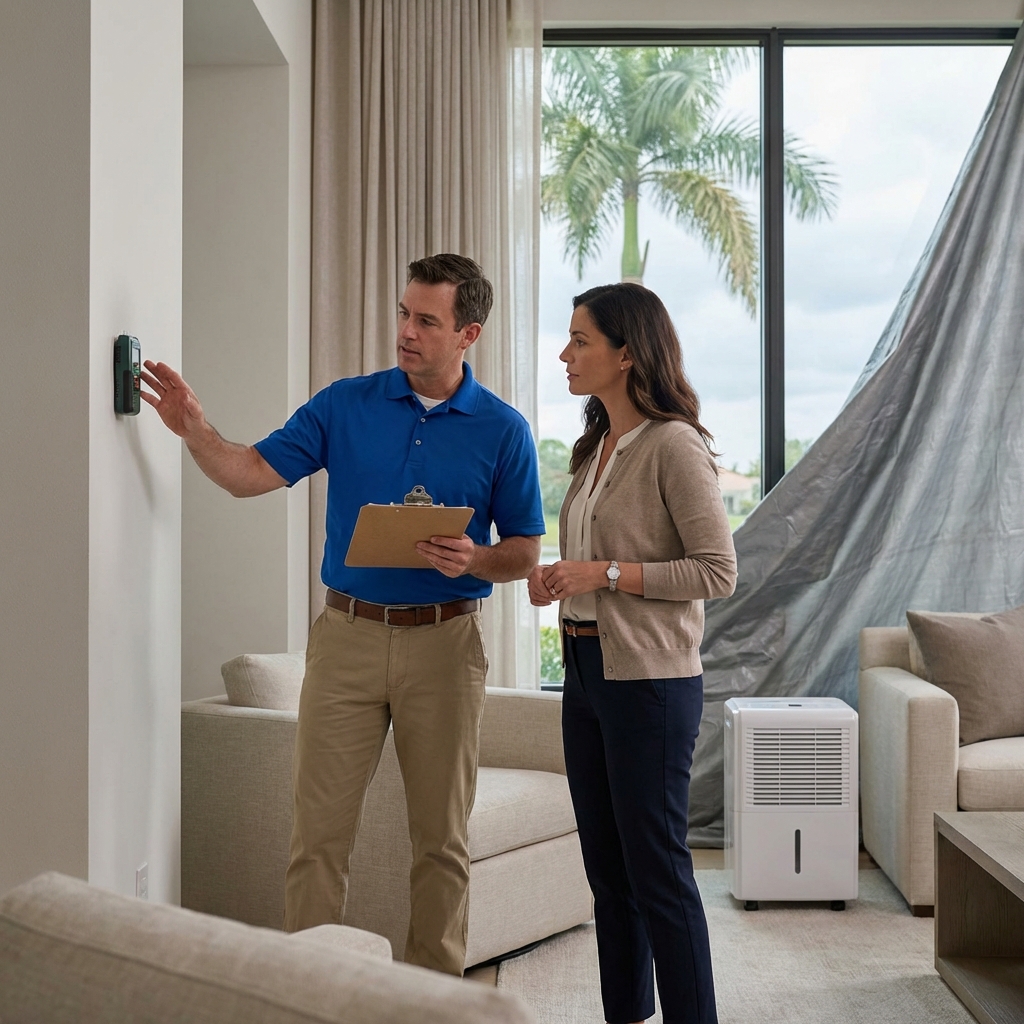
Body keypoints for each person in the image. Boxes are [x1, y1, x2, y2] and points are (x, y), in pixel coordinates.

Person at [143, 254, 545, 976]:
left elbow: (523, 551)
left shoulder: (503, 430)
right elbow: (246, 474)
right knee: (318, 839)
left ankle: (432, 1002)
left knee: (442, 842)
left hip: (446, 645)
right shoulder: (343, 405)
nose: (406, 331)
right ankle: (312, 994)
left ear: (469, 334)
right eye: (404, 314)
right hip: (345, 640)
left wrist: (475, 559)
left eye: (427, 321)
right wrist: (194, 428)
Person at [528, 283, 736, 1024]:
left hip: (650, 683)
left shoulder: (673, 444)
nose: (565, 353)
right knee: (608, 874)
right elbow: (595, 566)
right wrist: (560, 580)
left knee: (658, 874)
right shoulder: (595, 448)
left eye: (580, 339)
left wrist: (604, 574)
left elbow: (717, 571)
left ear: (626, 353)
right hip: (585, 672)